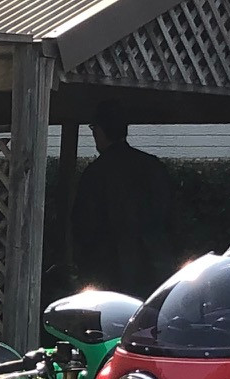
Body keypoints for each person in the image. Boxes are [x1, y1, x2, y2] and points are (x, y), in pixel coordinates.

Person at [68, 102, 178, 298]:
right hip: (155, 268)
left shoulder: (96, 173)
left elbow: (83, 223)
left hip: (109, 272)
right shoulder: (153, 167)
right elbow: (172, 217)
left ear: (99, 131)